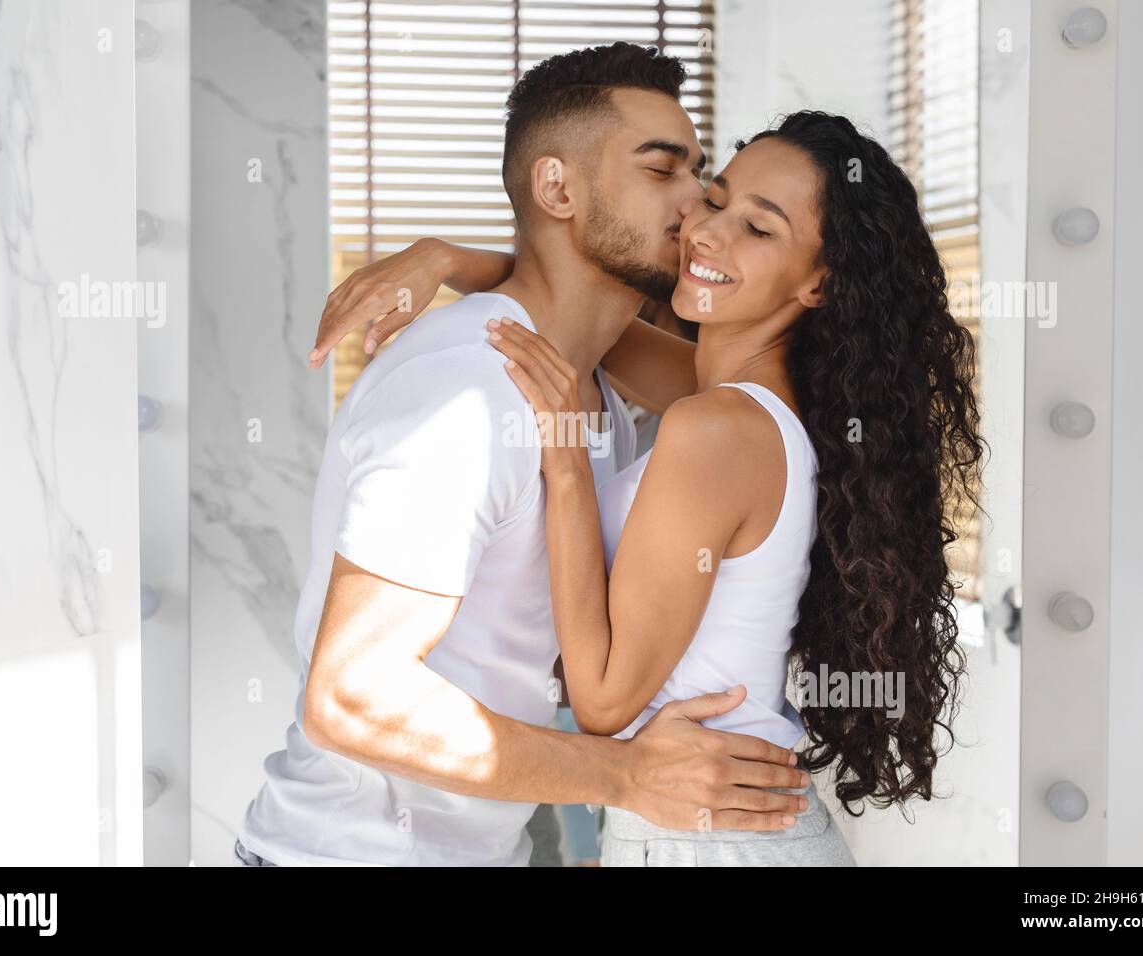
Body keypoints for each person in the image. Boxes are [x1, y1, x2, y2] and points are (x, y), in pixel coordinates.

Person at [316, 111, 986, 865]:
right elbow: (579, 318)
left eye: (758, 229)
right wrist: (440, 258)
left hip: (711, 837)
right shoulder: (753, 405)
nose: (708, 233)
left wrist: (567, 466)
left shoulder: (717, 429)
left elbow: (602, 701)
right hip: (709, 824)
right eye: (716, 198)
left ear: (819, 282)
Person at [234, 43, 810, 868]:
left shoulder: (591, 390)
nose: (697, 209)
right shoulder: (466, 394)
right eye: (662, 171)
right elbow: (350, 695)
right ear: (558, 189)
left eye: (700, 175)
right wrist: (626, 777)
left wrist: (447, 258)